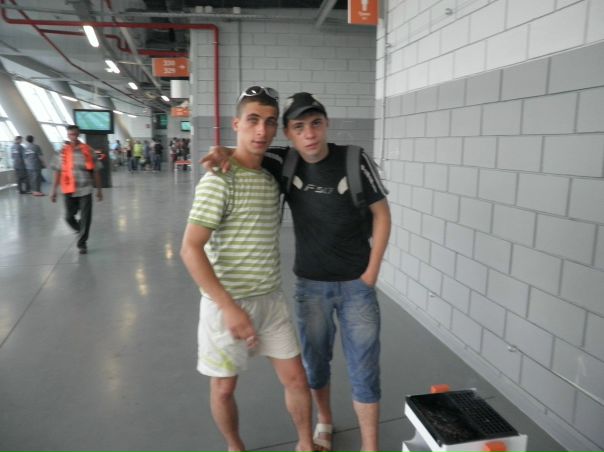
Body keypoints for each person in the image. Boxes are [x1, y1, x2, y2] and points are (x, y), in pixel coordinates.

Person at [203, 92, 391, 452]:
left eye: (316, 124)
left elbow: (382, 214)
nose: (310, 134)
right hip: (311, 286)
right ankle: (325, 422)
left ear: (326, 124)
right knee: (315, 365)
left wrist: (371, 273)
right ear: (288, 134)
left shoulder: (354, 159)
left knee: (364, 368)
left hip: (357, 286)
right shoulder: (283, 160)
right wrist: (221, 151)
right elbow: (246, 152)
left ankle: (371, 447)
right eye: (299, 127)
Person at [180, 86, 314, 452]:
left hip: (271, 301)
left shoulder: (272, 177)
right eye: (253, 120)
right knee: (224, 388)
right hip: (226, 304)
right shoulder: (218, 179)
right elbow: (190, 249)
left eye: (269, 122)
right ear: (236, 123)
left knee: (297, 380)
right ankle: (235, 446)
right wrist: (228, 307)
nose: (261, 130)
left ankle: (305, 444)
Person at [50, 125, 103, 254]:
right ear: (67, 135)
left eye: (74, 134)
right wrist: (54, 190)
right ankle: (81, 229)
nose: (72, 136)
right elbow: (57, 171)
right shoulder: (61, 152)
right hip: (68, 189)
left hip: (85, 188)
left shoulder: (88, 150)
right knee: (68, 217)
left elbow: (96, 171)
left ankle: (82, 243)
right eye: (70, 134)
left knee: (86, 217)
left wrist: (99, 190)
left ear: (78, 134)